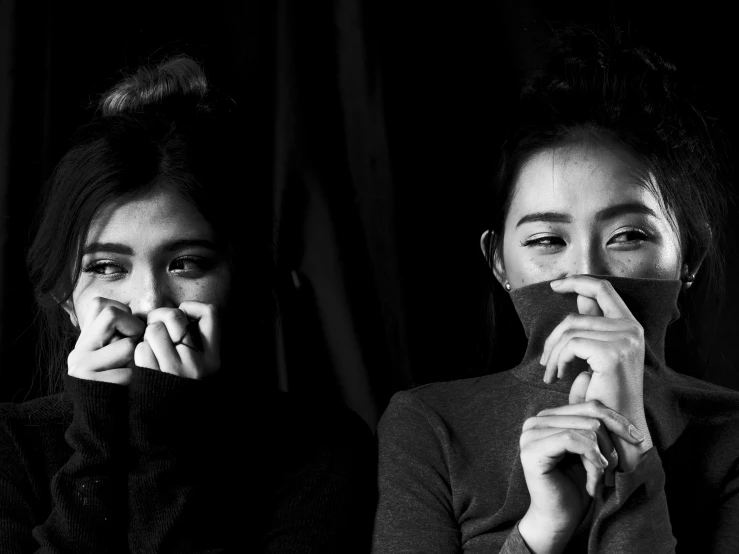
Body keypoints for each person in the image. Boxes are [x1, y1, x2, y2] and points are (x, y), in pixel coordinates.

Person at [372, 22, 739, 553]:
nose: (585, 272)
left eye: (628, 236)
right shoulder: (430, 427)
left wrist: (632, 465)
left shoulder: (731, 435)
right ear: (499, 263)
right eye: (547, 240)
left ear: (689, 259)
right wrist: (539, 532)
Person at [0, 56, 375, 553]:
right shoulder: (12, 445)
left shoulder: (321, 447)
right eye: (107, 268)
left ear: (235, 281)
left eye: (185, 264)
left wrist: (165, 444)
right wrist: (97, 442)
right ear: (64, 298)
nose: (149, 302)